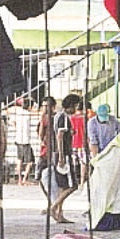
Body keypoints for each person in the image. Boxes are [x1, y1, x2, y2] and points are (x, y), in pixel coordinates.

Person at [40, 95, 79, 223]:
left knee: (63, 185)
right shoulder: (63, 118)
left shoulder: (57, 117)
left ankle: (60, 213)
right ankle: (53, 207)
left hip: (55, 154)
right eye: (76, 105)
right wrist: (62, 155)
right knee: (73, 186)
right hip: (62, 155)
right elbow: (59, 136)